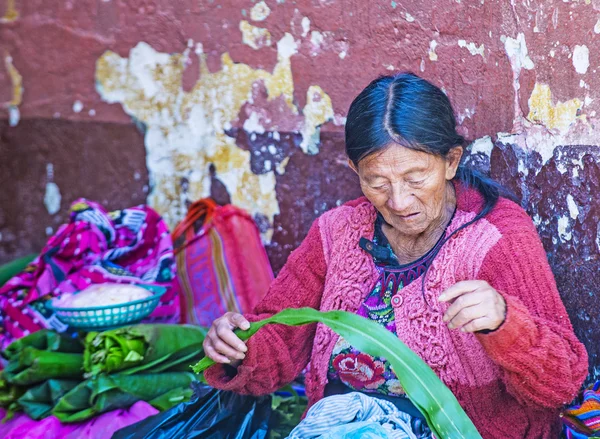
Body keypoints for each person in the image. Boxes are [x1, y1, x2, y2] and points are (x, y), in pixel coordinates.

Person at [202, 73, 588, 438]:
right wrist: (237, 347)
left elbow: (561, 384)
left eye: (416, 178)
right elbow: (278, 343)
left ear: (450, 161)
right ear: (355, 170)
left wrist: (505, 322)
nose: (400, 201)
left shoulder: (497, 236)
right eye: (377, 182)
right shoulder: (336, 233)